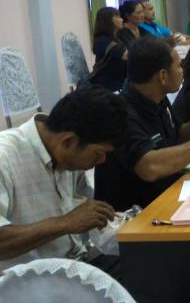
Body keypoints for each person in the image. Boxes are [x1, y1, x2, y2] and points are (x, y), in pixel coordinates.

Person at [94, 37, 190, 210]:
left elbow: (176, 135)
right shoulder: (122, 114)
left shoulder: (158, 97)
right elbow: (149, 167)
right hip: (139, 212)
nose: (182, 70)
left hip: (170, 190)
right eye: (178, 66)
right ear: (163, 76)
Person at [0, 86, 128, 271]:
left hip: (75, 266)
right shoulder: (5, 158)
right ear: (69, 141)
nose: (102, 161)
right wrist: (66, 223)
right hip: (27, 282)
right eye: (98, 153)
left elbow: (85, 213)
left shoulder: (68, 158)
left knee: (153, 267)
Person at [90, 7, 128, 92]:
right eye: (117, 17)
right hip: (108, 87)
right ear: (107, 20)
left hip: (118, 84)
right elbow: (126, 55)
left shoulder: (116, 39)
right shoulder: (102, 40)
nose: (122, 19)